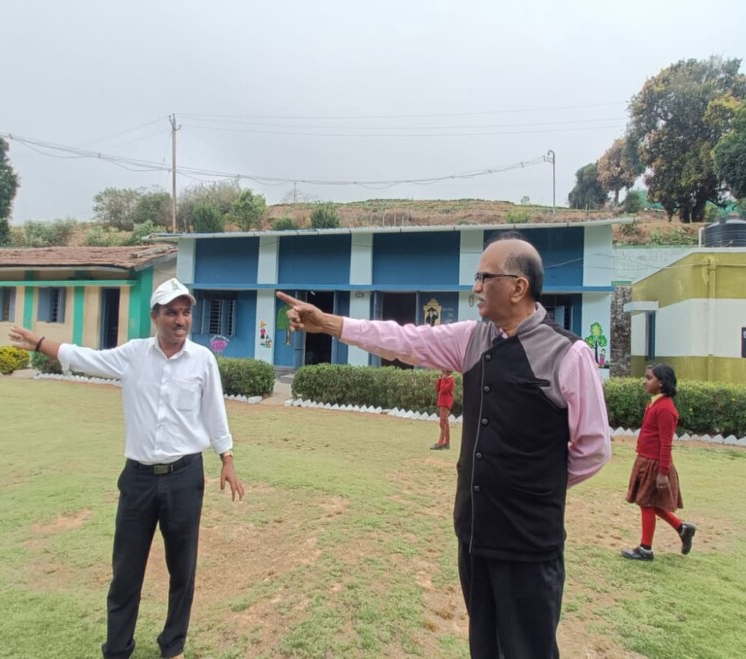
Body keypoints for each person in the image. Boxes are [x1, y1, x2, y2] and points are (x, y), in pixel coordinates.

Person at [276, 231, 611, 659]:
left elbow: (594, 448)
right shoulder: (472, 339)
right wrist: (327, 323)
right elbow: (404, 340)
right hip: (475, 533)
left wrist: (539, 488)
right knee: (483, 645)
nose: (474, 288)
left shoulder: (568, 354)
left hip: (529, 543)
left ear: (518, 287)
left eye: (483, 277)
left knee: (530, 649)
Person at [8, 277, 245, 659]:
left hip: (185, 477)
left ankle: (173, 646)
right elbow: (83, 358)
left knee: (182, 570)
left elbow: (214, 412)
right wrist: (39, 342)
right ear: (155, 317)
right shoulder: (133, 355)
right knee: (126, 573)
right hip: (137, 481)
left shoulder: (203, 360)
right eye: (171, 312)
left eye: (185, 312)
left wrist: (227, 458)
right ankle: (118, 649)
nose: (180, 320)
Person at [622, 363, 695, 562]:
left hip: (654, 463)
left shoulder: (665, 409)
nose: (645, 382)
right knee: (649, 502)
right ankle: (682, 528)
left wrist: (663, 471)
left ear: (661, 383)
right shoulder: (654, 403)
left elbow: (666, 443)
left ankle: (645, 548)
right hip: (645, 459)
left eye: (649, 378)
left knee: (646, 502)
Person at [432, 369, 455, 450]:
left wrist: (443, 379)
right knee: (446, 423)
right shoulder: (445, 379)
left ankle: (440, 443)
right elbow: (437, 389)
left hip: (445, 403)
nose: (442, 372)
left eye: (443, 371)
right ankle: (447, 443)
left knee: (442, 423)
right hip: (442, 402)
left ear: (447, 372)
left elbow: (444, 389)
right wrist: (440, 379)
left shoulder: (450, 380)